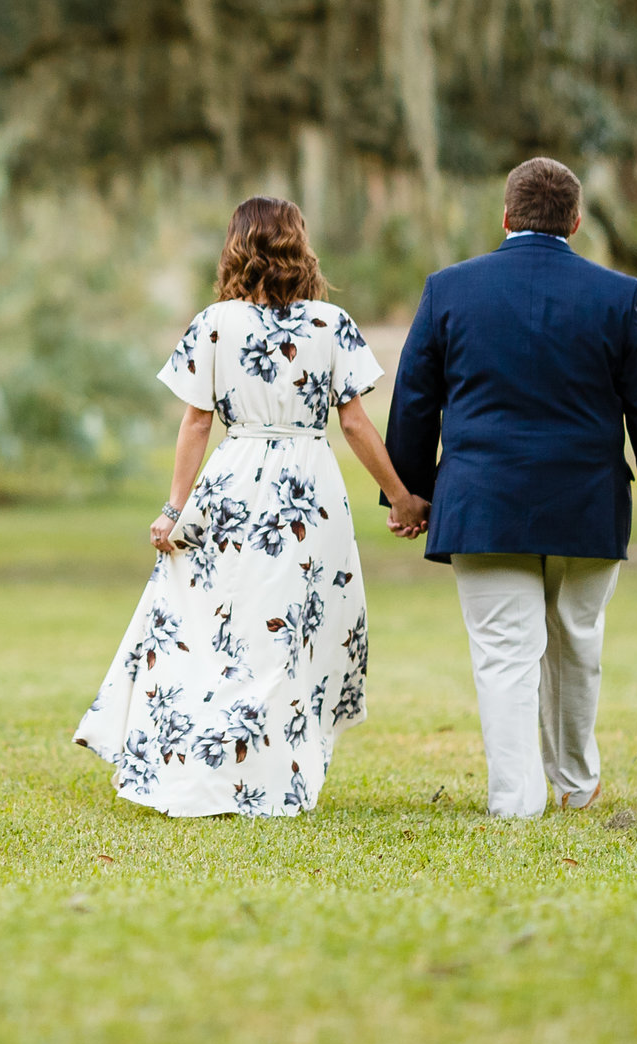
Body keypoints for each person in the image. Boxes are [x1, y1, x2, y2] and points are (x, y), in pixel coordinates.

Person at [75, 197, 430, 818]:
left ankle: (221, 769)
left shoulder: (215, 323)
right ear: (300, 246)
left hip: (233, 483)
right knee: (291, 633)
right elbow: (354, 425)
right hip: (308, 493)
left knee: (219, 627)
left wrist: (175, 509)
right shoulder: (331, 324)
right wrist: (402, 498)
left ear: (236, 247)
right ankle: (274, 777)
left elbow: (194, 424)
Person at [384, 157, 637, 819]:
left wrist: (409, 495)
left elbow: (414, 401)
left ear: (505, 216)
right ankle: (577, 783)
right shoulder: (617, 295)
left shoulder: (448, 290)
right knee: (578, 641)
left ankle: (515, 800)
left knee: (504, 653)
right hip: (586, 502)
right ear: (576, 221)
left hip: (482, 503)